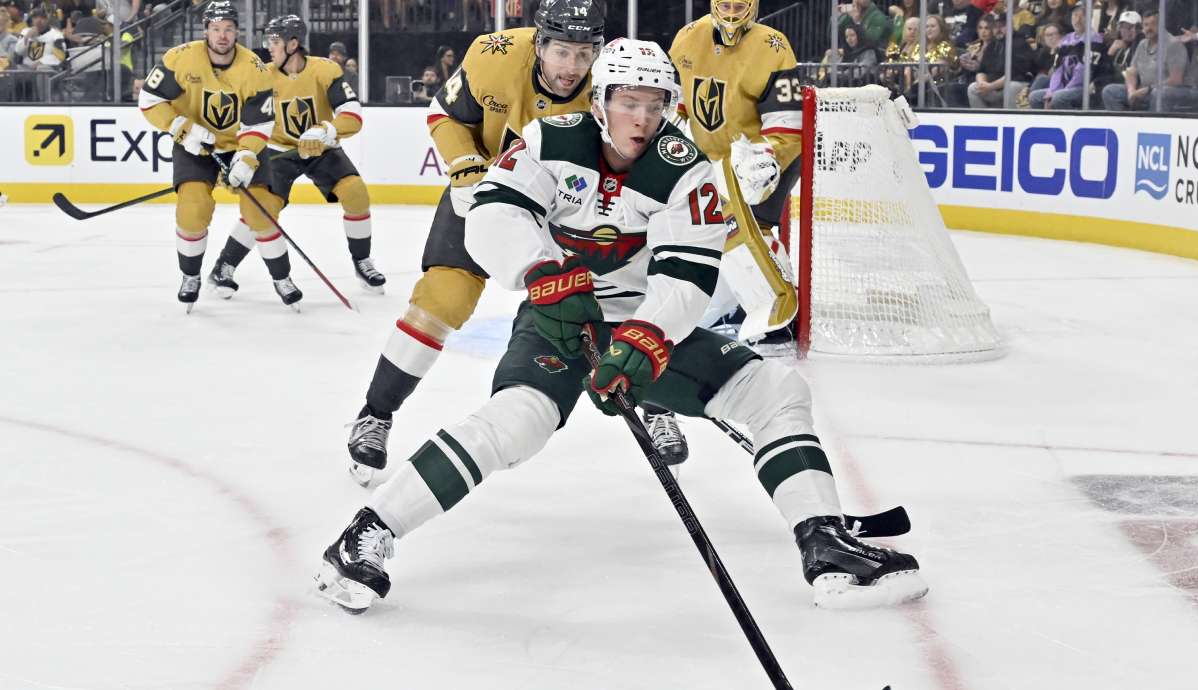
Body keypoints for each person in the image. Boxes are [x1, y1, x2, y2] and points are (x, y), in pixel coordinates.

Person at [313, 38, 929, 616]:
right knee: (517, 424)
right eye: (628, 102)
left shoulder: (683, 167)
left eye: (655, 104)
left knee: (776, 393)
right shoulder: (549, 139)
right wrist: (541, 273)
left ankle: (823, 541)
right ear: (601, 101)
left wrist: (646, 337)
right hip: (556, 320)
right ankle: (366, 534)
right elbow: (494, 212)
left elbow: (688, 272)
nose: (641, 117)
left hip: (640, 321)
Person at [344, 0, 604, 485]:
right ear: (540, 43)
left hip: (569, 209)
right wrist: (464, 164)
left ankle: (656, 405)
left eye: (584, 54)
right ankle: (376, 413)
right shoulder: (494, 54)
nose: (572, 67)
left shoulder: (613, 82)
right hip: (487, 191)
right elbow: (444, 114)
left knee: (608, 304)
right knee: (441, 300)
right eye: (562, 51)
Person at [666, 0, 807, 463]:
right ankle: (728, 306)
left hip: (763, 161)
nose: (730, 8)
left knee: (743, 237)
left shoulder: (772, 46)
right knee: (695, 240)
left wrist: (763, 160)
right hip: (710, 162)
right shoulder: (688, 38)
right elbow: (681, 106)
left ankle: (775, 309)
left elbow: (788, 127)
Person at [206, 15, 385, 302]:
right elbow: (239, 123)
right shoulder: (260, 76)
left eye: (274, 42)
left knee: (355, 192)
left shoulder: (325, 70)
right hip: (278, 152)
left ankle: (362, 262)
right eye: (267, 42)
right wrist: (233, 159)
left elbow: (352, 116)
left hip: (321, 148)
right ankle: (224, 266)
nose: (269, 48)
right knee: (262, 210)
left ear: (293, 44)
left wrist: (326, 131)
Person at [137, 0, 286, 310]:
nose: (222, 36)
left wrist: (246, 158)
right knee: (193, 209)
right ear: (205, 30)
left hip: (239, 144)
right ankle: (190, 276)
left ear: (237, 32)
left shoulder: (255, 69)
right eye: (216, 29)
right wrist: (180, 127)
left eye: (229, 29)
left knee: (263, 210)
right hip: (194, 144)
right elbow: (150, 100)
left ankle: (282, 278)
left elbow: (259, 122)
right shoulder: (179, 59)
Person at [1102, 7, 1198, 111]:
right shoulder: (1142, 44)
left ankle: (1153, 127)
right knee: (1110, 91)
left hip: (1176, 92)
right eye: (1146, 25)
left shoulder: (1173, 44)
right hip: (1146, 91)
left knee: (1159, 94)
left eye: (1153, 24)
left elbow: (1176, 80)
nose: (1148, 28)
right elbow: (1132, 71)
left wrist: (1147, 90)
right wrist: (1131, 91)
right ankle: (1126, 126)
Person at [1027, 3, 1103, 109]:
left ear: (1089, 18)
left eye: (1082, 16)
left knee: (1059, 97)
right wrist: (1052, 91)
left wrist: (1060, 92)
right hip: (1064, 87)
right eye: (1075, 15)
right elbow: (1058, 69)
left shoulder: (1094, 40)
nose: (1077, 20)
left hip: (1083, 88)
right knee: (1034, 97)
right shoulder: (1066, 39)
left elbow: (1082, 74)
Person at [968, 13, 1035, 107]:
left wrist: (990, 86)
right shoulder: (993, 44)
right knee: (973, 88)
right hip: (994, 86)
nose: (998, 29)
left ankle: (1009, 120)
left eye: (1002, 26)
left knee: (1011, 87)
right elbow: (982, 70)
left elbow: (1013, 73)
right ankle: (983, 120)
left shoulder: (1019, 43)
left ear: (1010, 26)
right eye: (995, 26)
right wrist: (982, 83)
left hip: (1018, 83)